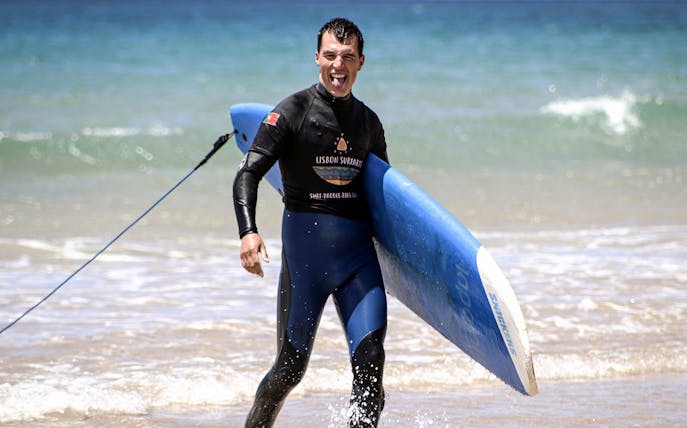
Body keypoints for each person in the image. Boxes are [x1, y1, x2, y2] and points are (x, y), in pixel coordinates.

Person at [233, 17, 389, 428]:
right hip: (307, 262)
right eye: (331, 56)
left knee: (371, 367)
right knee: (289, 369)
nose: (339, 66)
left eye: (348, 57)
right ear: (317, 58)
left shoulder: (369, 123)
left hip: (358, 262)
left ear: (361, 63)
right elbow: (247, 173)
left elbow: (384, 198)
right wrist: (248, 231)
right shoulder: (292, 112)